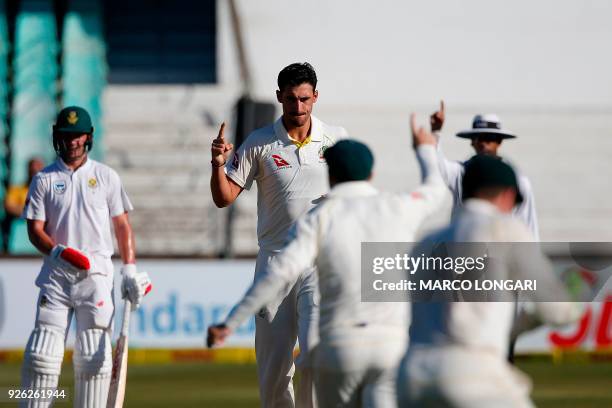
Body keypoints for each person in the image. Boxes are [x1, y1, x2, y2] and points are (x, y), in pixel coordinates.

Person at [208, 115, 449, 407]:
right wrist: (426, 147)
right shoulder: (396, 206)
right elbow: (436, 190)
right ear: (371, 174)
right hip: (391, 346)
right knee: (280, 372)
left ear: (331, 174)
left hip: (342, 345)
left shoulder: (319, 218)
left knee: (318, 374)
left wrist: (230, 322)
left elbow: (281, 271)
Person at [210, 62, 347, 407]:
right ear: (279, 98)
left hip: (319, 262)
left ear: (315, 97)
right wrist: (216, 165)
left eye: (304, 99)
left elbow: (355, 193)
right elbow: (224, 198)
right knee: (274, 370)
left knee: (316, 355)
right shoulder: (260, 142)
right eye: (290, 100)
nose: (298, 108)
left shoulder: (337, 139)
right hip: (274, 261)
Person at [397, 154, 582, 407]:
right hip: (471, 374)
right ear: (507, 194)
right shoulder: (505, 228)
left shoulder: (425, 242)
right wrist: (571, 303)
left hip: (412, 378)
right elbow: (558, 311)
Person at [20, 106, 152, 408]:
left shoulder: (106, 176)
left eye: (78, 135)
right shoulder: (43, 179)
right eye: (67, 136)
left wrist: (129, 269)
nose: (73, 141)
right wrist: (58, 251)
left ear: (89, 137)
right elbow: (34, 229)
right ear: (57, 137)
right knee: (42, 356)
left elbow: (122, 225)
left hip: (96, 277)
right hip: (57, 276)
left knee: (94, 359)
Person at [430, 101, 539, 239]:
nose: (483, 142)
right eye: (478, 137)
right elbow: (434, 165)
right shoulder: (460, 172)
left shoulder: (518, 180)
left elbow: (529, 225)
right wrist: (435, 132)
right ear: (472, 141)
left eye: (489, 137)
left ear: (499, 141)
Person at [2, 157, 44, 252]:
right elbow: (8, 206)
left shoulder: (49, 191)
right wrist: (38, 212)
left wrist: (25, 210)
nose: (35, 171)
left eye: (39, 167)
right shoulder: (16, 189)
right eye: (32, 168)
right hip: (20, 239)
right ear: (28, 170)